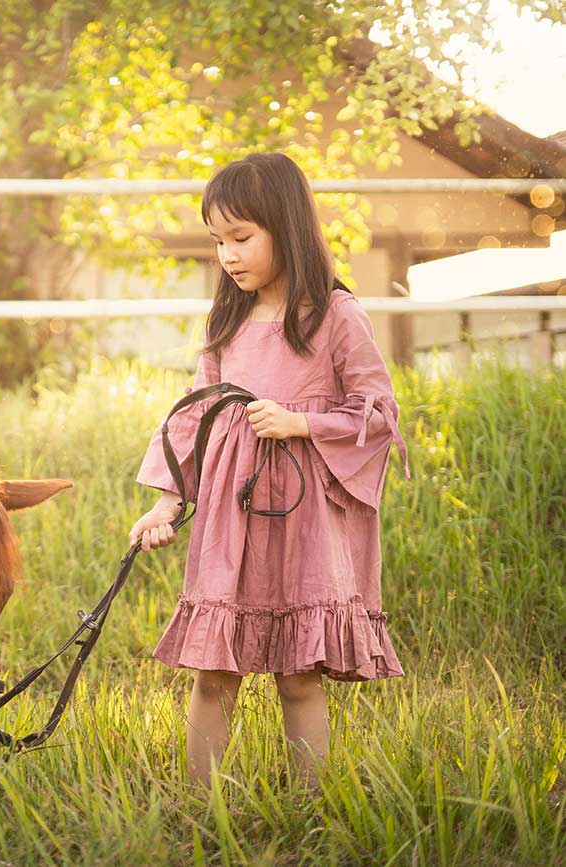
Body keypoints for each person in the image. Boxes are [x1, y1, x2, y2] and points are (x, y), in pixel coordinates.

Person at [128, 152, 411, 788]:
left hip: (305, 519)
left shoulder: (336, 315)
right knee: (214, 670)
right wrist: (165, 504)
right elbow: (192, 421)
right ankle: (201, 806)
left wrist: (303, 423)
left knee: (299, 675)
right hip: (232, 520)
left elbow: (378, 413)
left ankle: (310, 807)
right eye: (217, 240)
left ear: (286, 227)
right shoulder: (225, 320)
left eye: (241, 237)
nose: (228, 255)